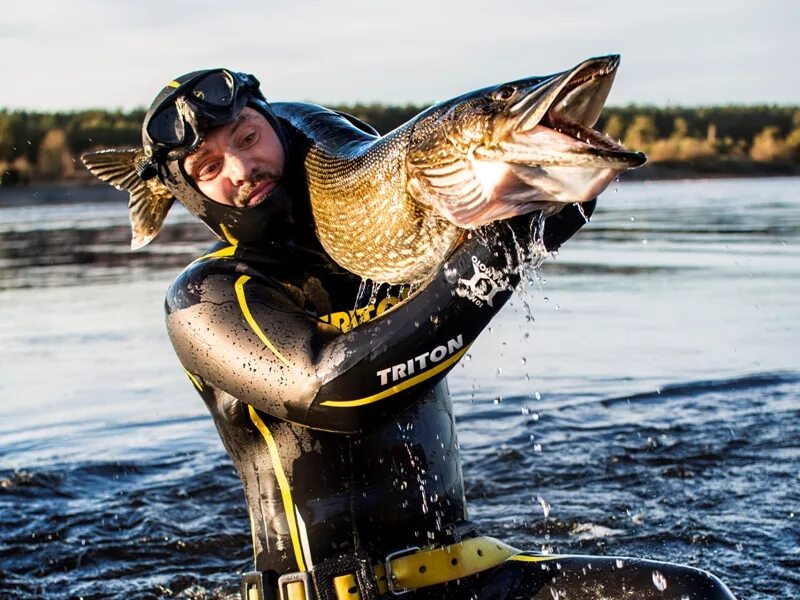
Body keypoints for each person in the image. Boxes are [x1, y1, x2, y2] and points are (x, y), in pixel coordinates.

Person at [85, 69, 736, 600]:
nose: (241, 166)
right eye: (209, 164)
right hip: (327, 593)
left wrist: (549, 190)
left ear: (276, 127)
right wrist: (499, 246)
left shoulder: (387, 252)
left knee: (689, 595)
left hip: (468, 570)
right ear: (192, 192)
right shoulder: (207, 299)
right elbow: (332, 389)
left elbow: (503, 235)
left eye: (249, 137)